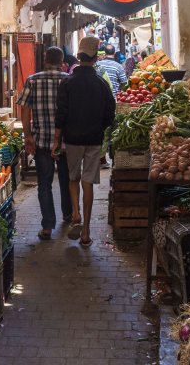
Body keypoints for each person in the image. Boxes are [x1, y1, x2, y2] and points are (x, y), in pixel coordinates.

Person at [53, 36, 116, 247]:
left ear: (79, 57)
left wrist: (56, 140)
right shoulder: (100, 83)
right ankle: (86, 231)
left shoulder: (68, 82)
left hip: (72, 139)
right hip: (94, 139)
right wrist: (100, 127)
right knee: (87, 182)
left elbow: (60, 114)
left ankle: (76, 213)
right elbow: (110, 111)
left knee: (73, 178)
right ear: (95, 58)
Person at [16, 47, 73, 240]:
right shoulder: (68, 80)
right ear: (62, 61)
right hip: (65, 142)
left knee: (44, 184)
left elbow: (24, 109)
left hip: (41, 141)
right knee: (66, 181)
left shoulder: (33, 80)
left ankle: (48, 226)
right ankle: (68, 214)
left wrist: (27, 135)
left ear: (45, 59)